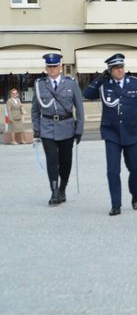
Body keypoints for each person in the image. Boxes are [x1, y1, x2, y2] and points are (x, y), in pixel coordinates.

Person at [83, 53, 137, 216]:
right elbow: (87, 94)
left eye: (121, 67)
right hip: (111, 133)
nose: (119, 70)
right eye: (115, 68)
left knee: (136, 169)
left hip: (132, 133)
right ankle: (116, 204)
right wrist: (100, 78)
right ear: (110, 70)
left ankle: (134, 192)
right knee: (113, 171)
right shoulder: (104, 84)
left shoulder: (136, 83)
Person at [31, 53, 84, 206]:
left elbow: (79, 108)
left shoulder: (71, 83)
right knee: (52, 161)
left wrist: (79, 129)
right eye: (49, 67)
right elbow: (35, 110)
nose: (52, 69)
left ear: (60, 67)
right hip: (47, 127)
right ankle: (54, 191)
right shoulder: (40, 84)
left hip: (67, 127)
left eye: (55, 66)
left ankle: (62, 188)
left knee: (65, 162)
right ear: (46, 68)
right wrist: (37, 129)